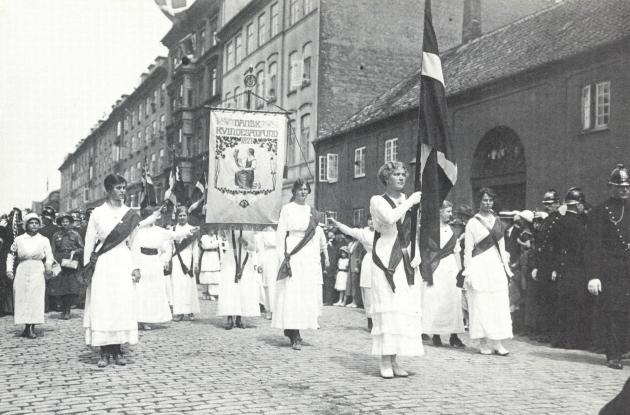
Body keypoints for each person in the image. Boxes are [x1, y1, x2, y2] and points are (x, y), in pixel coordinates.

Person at [83, 173, 159, 367]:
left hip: (123, 261)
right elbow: (89, 242)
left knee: (121, 304)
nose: (123, 191)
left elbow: (134, 242)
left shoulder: (130, 214)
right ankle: (103, 351)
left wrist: (136, 267)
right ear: (108, 190)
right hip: (103, 262)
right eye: (118, 188)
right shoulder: (97, 213)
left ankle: (117, 351)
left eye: (124, 187)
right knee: (103, 304)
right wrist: (87, 269)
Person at [369, 161, 423, 378]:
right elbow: (391, 219)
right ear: (386, 178)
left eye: (403, 174)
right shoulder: (377, 201)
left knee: (401, 308)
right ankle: (384, 359)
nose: (401, 178)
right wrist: (411, 201)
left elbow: (413, 230)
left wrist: (416, 252)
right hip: (385, 257)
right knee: (387, 307)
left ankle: (395, 359)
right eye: (396, 174)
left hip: (405, 256)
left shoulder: (406, 200)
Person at [585, 164, 630, 369]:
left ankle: (624, 348)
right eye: (619, 186)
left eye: (626, 186)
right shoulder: (599, 212)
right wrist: (593, 275)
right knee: (613, 311)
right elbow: (593, 246)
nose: (624, 190)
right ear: (611, 187)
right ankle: (613, 354)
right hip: (611, 270)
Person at [272, 179, 323, 350]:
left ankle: (296, 328)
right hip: (293, 250)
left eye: (306, 189)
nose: (303, 192)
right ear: (294, 192)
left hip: (309, 253)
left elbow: (315, 236)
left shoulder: (311, 211)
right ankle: (294, 333)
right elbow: (280, 235)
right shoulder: (287, 209)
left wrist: (316, 260)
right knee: (292, 292)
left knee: (304, 293)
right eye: (300, 189)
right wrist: (283, 257)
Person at [463, 187, 513, 356]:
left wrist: (506, 268)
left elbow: (502, 246)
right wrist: (468, 271)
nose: (487, 203)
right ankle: (483, 342)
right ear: (479, 201)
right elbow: (468, 249)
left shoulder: (497, 221)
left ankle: (497, 342)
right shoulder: (472, 223)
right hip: (479, 264)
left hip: (495, 265)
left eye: (490, 200)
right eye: (484, 200)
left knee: (497, 303)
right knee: (481, 303)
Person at [133, 207, 197, 330]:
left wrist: (189, 232)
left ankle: (149, 318)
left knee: (154, 290)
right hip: (142, 260)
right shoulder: (138, 230)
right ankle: (139, 318)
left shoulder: (159, 231)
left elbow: (175, 235)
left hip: (154, 261)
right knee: (141, 290)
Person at [548, 187, 589, 349]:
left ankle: (559, 339)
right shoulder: (579, 224)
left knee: (562, 305)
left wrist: (556, 267)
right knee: (575, 305)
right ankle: (572, 340)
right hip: (577, 268)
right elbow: (582, 248)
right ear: (578, 204)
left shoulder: (559, 222)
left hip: (562, 268)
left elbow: (554, 246)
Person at [421, 200, 466, 348]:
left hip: (451, 267)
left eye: (451, 211)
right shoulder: (430, 229)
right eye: (448, 211)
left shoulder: (453, 230)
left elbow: (457, 251)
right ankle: (436, 334)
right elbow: (425, 251)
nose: (450, 214)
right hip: (436, 268)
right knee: (437, 300)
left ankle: (454, 336)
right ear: (439, 211)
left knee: (453, 300)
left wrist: (460, 272)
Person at [6, 213, 53, 338]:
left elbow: (49, 255)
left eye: (36, 223)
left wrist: (48, 265)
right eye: (31, 223)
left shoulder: (44, 239)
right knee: (22, 297)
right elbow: (11, 255)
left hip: (37, 269)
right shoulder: (19, 239)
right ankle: (26, 326)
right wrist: (9, 270)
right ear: (26, 225)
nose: (34, 225)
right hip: (23, 268)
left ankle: (31, 327)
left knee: (35, 298)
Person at [330, 216, 375, 330]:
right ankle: (370, 319)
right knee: (367, 290)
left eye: (374, 219)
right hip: (369, 261)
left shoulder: (385, 230)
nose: (372, 222)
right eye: (370, 219)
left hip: (383, 262)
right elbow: (350, 230)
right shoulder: (363, 232)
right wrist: (338, 224)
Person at [530, 189, 562, 343]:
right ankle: (545, 332)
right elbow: (539, 244)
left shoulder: (559, 221)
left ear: (558, 204)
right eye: (546, 204)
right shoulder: (547, 221)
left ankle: (553, 334)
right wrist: (536, 266)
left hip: (552, 266)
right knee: (543, 300)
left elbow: (559, 248)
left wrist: (556, 268)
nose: (548, 206)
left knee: (552, 302)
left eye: (551, 204)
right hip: (543, 265)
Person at [216, 231, 261, 329]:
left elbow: (255, 248)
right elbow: (222, 233)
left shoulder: (249, 229)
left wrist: (246, 243)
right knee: (230, 286)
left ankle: (239, 317)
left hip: (244, 257)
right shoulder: (229, 226)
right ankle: (229, 317)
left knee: (243, 286)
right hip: (231, 257)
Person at [167, 206, 201, 322]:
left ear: (188, 216)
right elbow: (169, 247)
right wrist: (167, 260)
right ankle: (179, 311)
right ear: (177, 216)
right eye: (180, 215)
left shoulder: (193, 229)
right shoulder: (172, 229)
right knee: (177, 285)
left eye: (184, 215)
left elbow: (195, 247)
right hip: (177, 259)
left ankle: (190, 310)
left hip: (189, 259)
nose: (182, 217)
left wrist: (196, 262)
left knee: (189, 285)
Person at [49, 212, 83, 320]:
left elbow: (82, 248)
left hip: (70, 261)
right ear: (60, 223)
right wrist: (53, 261)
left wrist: (75, 251)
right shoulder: (56, 235)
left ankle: (67, 310)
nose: (65, 224)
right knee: (60, 286)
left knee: (70, 286)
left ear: (70, 223)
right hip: (59, 260)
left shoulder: (75, 234)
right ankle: (63, 309)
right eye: (63, 222)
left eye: (67, 222)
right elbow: (52, 250)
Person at [255, 228, 278, 319]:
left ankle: (277, 309)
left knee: (278, 285)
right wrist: (260, 263)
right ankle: (269, 309)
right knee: (268, 285)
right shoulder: (263, 233)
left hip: (278, 258)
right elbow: (261, 249)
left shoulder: (280, 231)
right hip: (267, 258)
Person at [197, 228, 225, 300]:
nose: (212, 230)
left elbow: (221, 249)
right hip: (206, 256)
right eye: (210, 229)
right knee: (206, 274)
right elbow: (206, 246)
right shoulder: (204, 237)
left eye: (213, 229)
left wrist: (221, 259)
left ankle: (213, 293)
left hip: (214, 256)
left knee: (214, 275)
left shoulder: (218, 237)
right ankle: (205, 292)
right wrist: (214, 244)